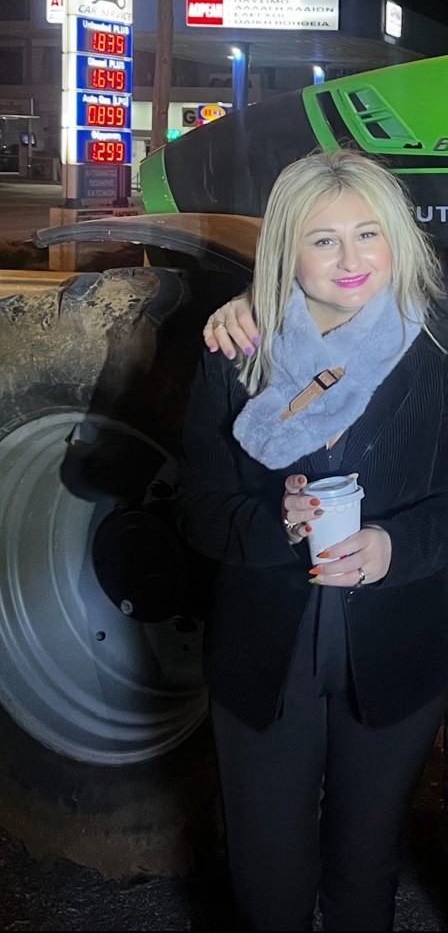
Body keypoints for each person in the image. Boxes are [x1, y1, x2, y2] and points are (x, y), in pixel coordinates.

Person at [174, 148, 448, 931]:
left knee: (366, 869)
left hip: (399, 653)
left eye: (369, 234)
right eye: (323, 240)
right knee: (268, 879)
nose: (351, 260)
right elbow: (197, 507)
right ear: (286, 251)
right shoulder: (240, 351)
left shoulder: (438, 347)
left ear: (398, 238)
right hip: (265, 656)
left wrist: (396, 547)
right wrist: (275, 525)